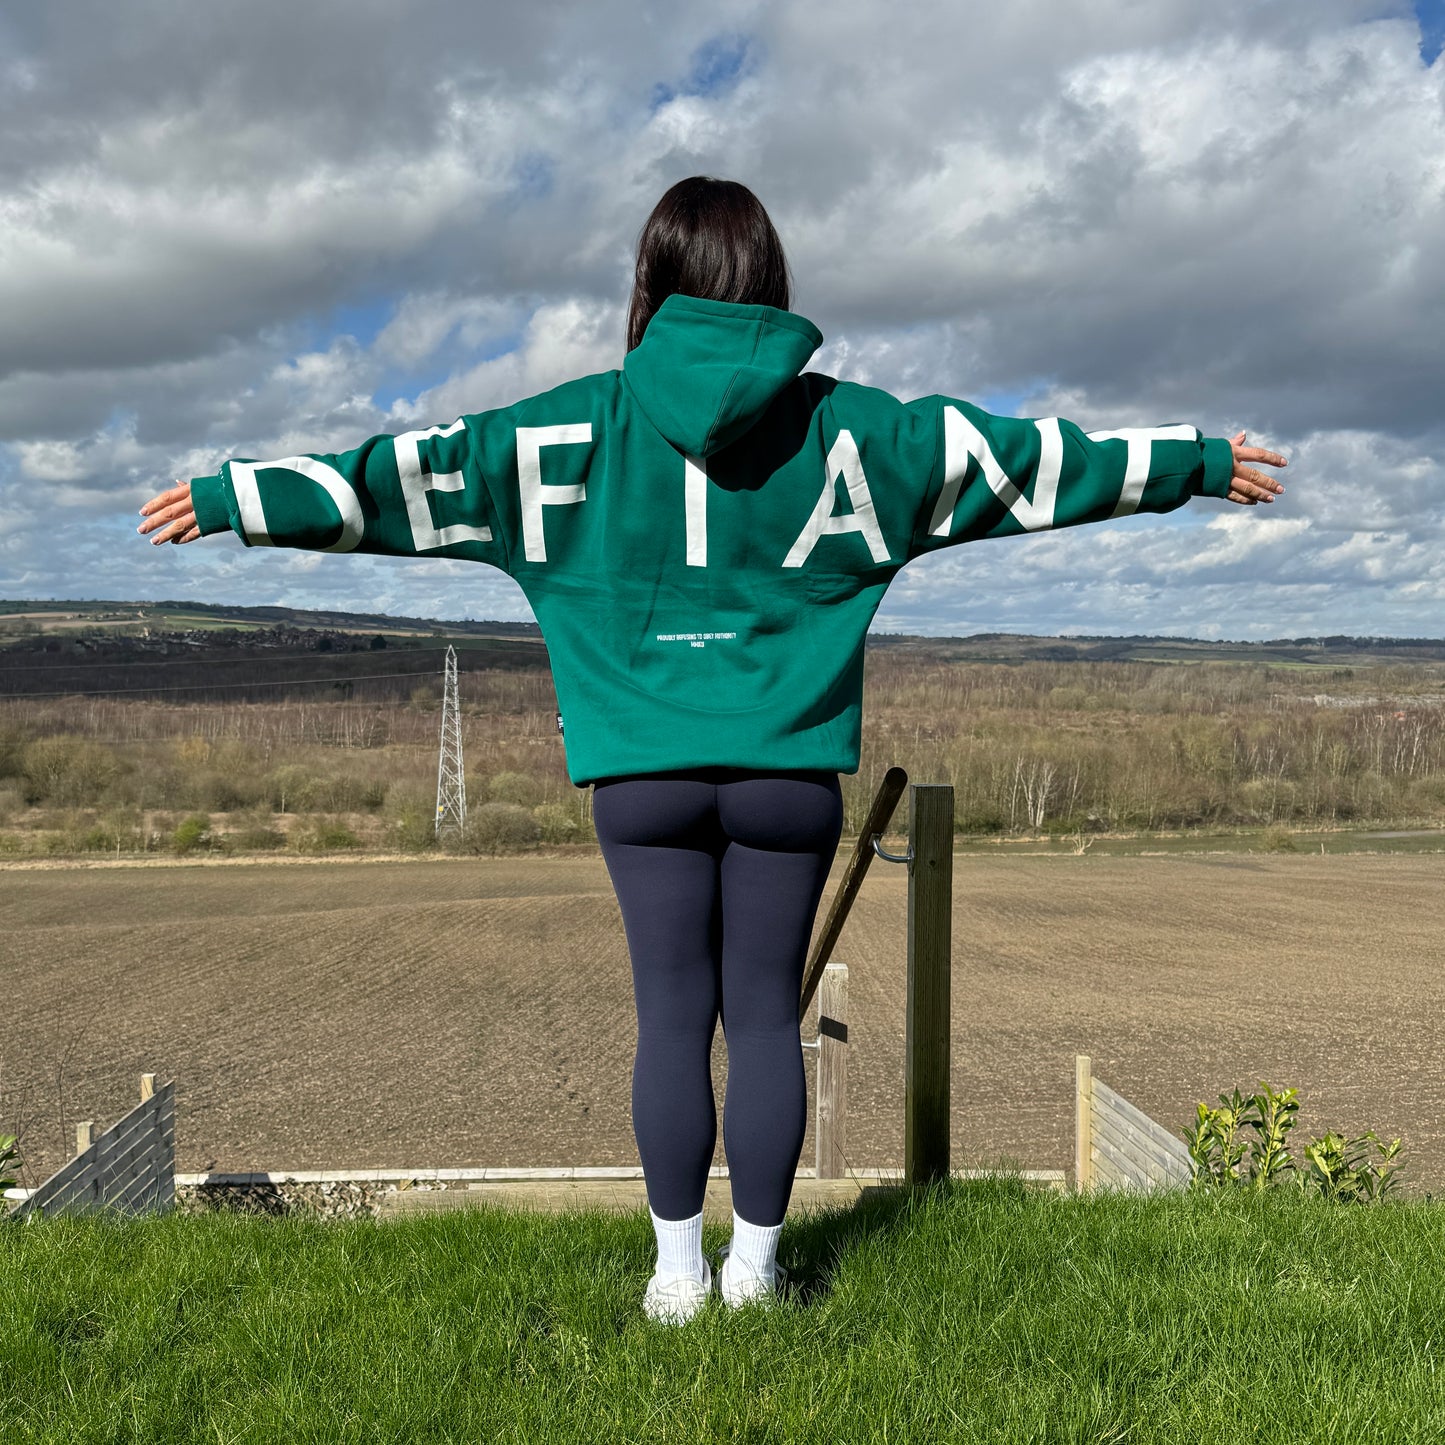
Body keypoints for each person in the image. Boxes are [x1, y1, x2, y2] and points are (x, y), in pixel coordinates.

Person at [139, 175, 1287, 1323]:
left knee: (671, 1017)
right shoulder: (860, 432)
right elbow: (1023, 463)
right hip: (787, 775)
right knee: (763, 1016)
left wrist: (230, 493)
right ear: (769, 281)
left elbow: (394, 481)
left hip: (638, 778)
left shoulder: (559, 432)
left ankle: (675, 1274)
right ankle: (756, 1271)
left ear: (649, 283)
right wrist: (1189, 461)